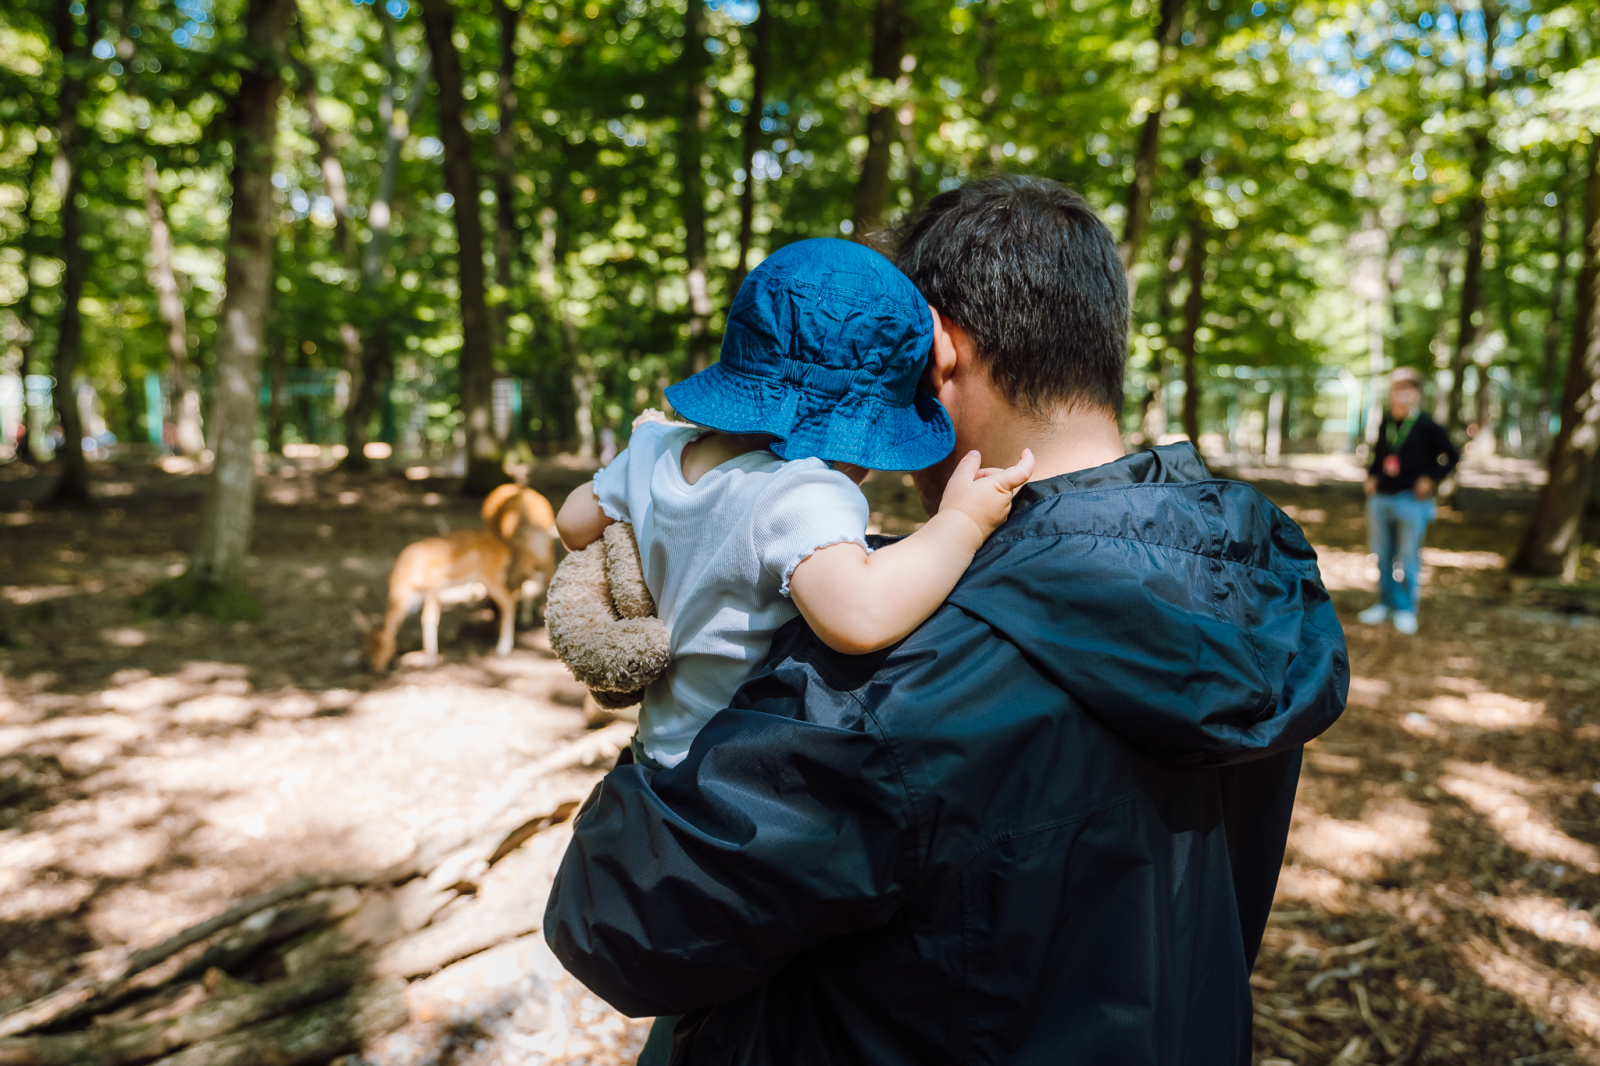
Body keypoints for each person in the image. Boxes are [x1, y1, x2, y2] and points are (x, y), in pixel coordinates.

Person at [545, 175, 1348, 1066]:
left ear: (936, 352)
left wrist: (673, 708)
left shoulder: (896, 672)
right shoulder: (1247, 583)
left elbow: (615, 924)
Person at [554, 237, 1033, 772]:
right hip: (725, 777)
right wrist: (962, 522)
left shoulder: (653, 449)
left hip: (650, 749)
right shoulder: (798, 493)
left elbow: (573, 523)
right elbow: (860, 614)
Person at [1358, 366, 1459, 635]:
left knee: (1407, 557)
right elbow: (1379, 457)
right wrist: (1371, 476)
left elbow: (1451, 455)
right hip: (1381, 499)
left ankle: (1405, 609)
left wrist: (1431, 477)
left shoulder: (1426, 425)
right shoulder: (1386, 422)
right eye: (1395, 389)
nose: (1398, 395)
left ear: (1415, 394)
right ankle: (1384, 604)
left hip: (1411, 501)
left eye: (1405, 389)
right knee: (1382, 556)